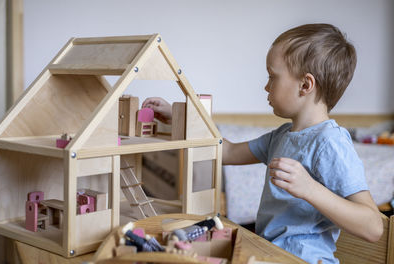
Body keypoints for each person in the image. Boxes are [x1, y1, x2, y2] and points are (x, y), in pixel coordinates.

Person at [142, 24, 383, 264]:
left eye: (272, 76)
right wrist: (179, 118)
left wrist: (310, 189)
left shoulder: (330, 142)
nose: (266, 86)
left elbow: (372, 227)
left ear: (306, 85)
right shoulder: (281, 136)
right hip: (268, 254)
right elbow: (227, 151)